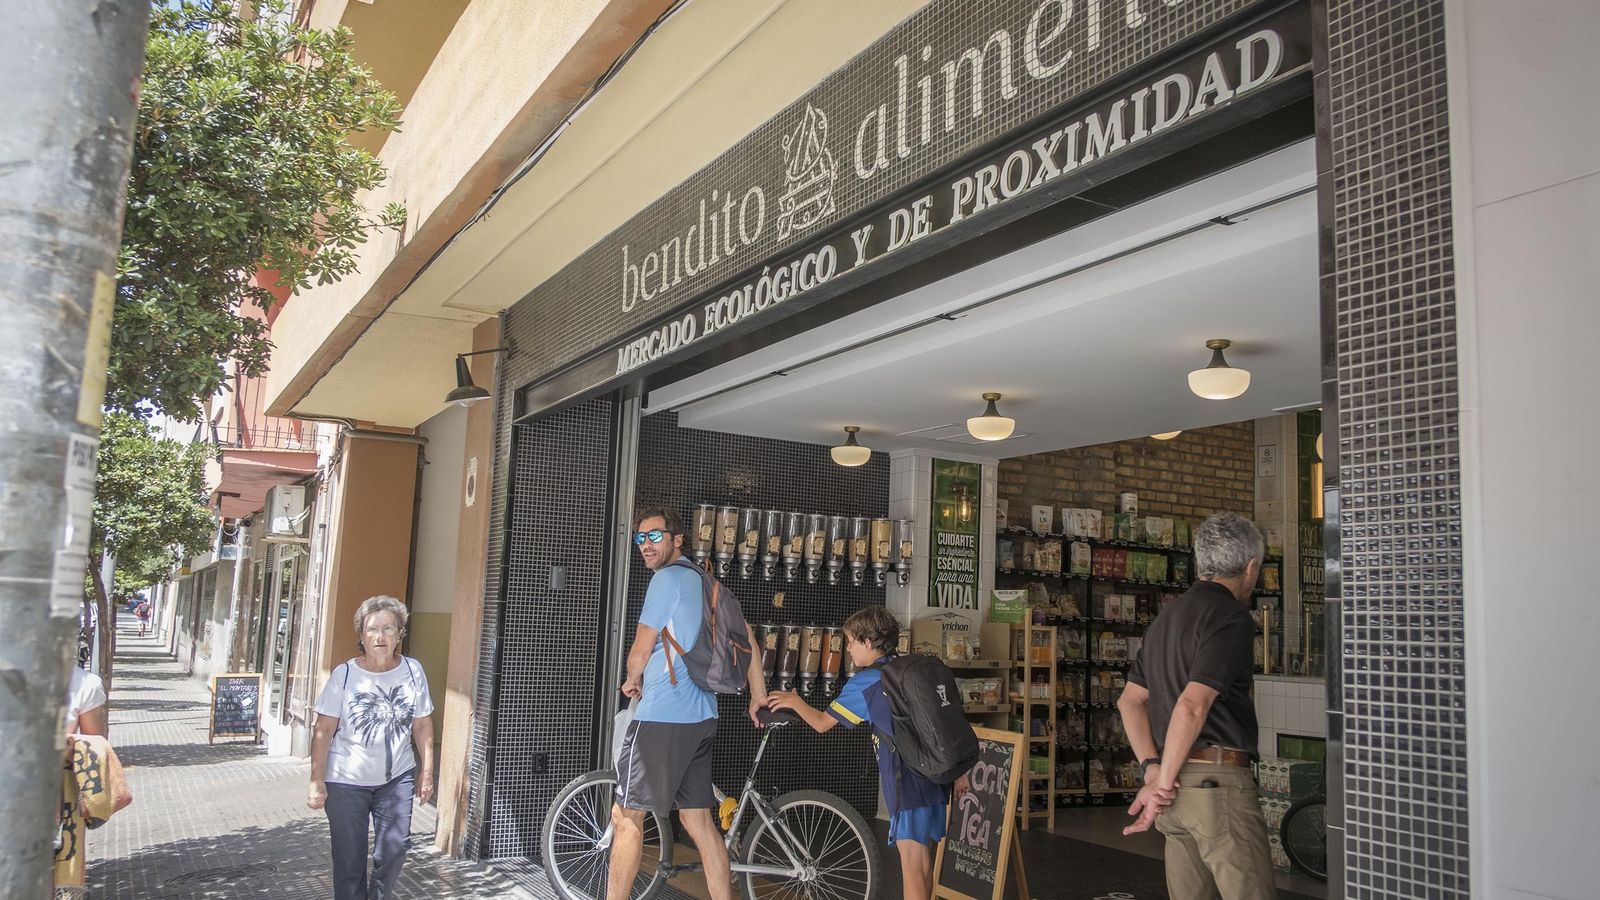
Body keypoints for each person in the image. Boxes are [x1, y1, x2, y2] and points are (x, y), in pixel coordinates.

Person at [608, 507, 767, 900]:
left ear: (677, 540)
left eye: (655, 536)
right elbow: (748, 637)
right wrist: (758, 696)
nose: (646, 545)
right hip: (702, 717)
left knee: (626, 817)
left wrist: (631, 679)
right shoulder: (706, 582)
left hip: (662, 717)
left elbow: (641, 649)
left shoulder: (666, 580)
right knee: (698, 822)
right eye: (640, 538)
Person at [1117, 511, 1275, 900]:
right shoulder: (1232, 617)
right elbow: (1191, 705)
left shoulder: (1165, 618)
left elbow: (1130, 701)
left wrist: (1153, 772)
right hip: (1215, 788)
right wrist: (1161, 783)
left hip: (1175, 796)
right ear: (1251, 567)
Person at [767, 606, 970, 900]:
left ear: (867, 641)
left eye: (850, 641)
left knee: (912, 864)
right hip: (934, 776)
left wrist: (795, 701)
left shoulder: (868, 681)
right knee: (922, 861)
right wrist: (959, 771)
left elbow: (823, 723)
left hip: (907, 779)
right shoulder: (906, 669)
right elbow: (940, 722)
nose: (847, 649)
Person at [308, 595, 435, 900]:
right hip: (345, 782)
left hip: (396, 777)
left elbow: (422, 724)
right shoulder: (345, 674)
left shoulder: (413, 670)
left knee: (395, 849)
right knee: (349, 861)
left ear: (399, 634)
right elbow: (323, 730)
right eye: (373, 629)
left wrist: (427, 772)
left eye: (389, 629)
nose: (380, 636)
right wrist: (316, 781)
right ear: (361, 635)